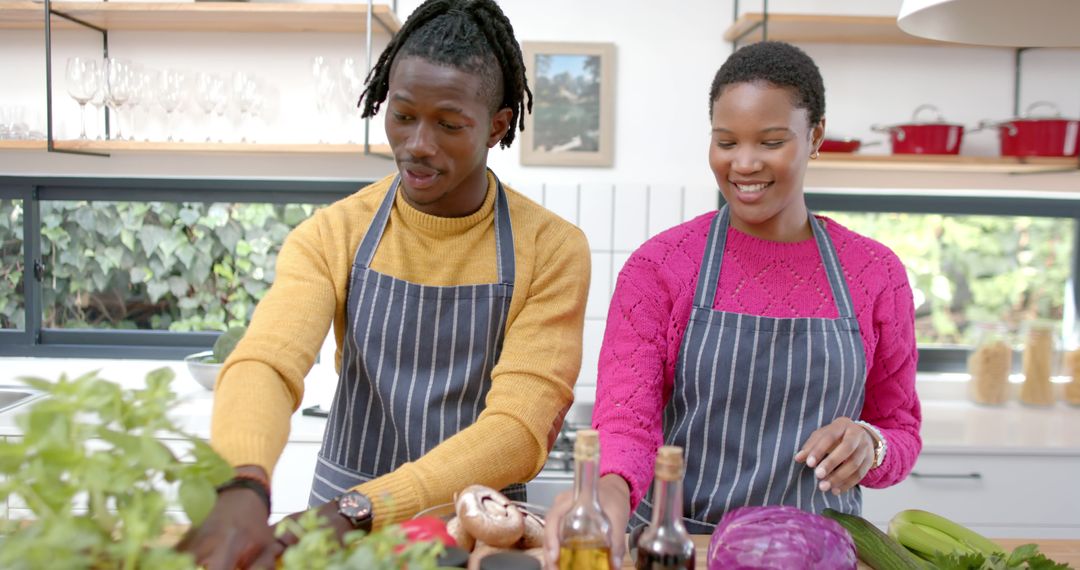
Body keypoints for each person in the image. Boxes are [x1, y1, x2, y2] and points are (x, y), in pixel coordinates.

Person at [179, 1, 591, 568]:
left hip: (474, 528)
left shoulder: (550, 248)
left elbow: (518, 430)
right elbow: (268, 362)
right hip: (335, 531)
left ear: (497, 125)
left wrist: (364, 507)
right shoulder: (334, 232)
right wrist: (243, 483)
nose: (418, 143)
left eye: (449, 124)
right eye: (402, 115)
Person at [544, 41, 921, 568]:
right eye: (725, 142)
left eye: (770, 141)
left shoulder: (876, 274)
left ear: (815, 137)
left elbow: (900, 427)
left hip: (819, 552)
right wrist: (607, 495)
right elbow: (627, 420)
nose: (743, 164)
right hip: (686, 545)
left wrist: (871, 445)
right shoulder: (660, 267)